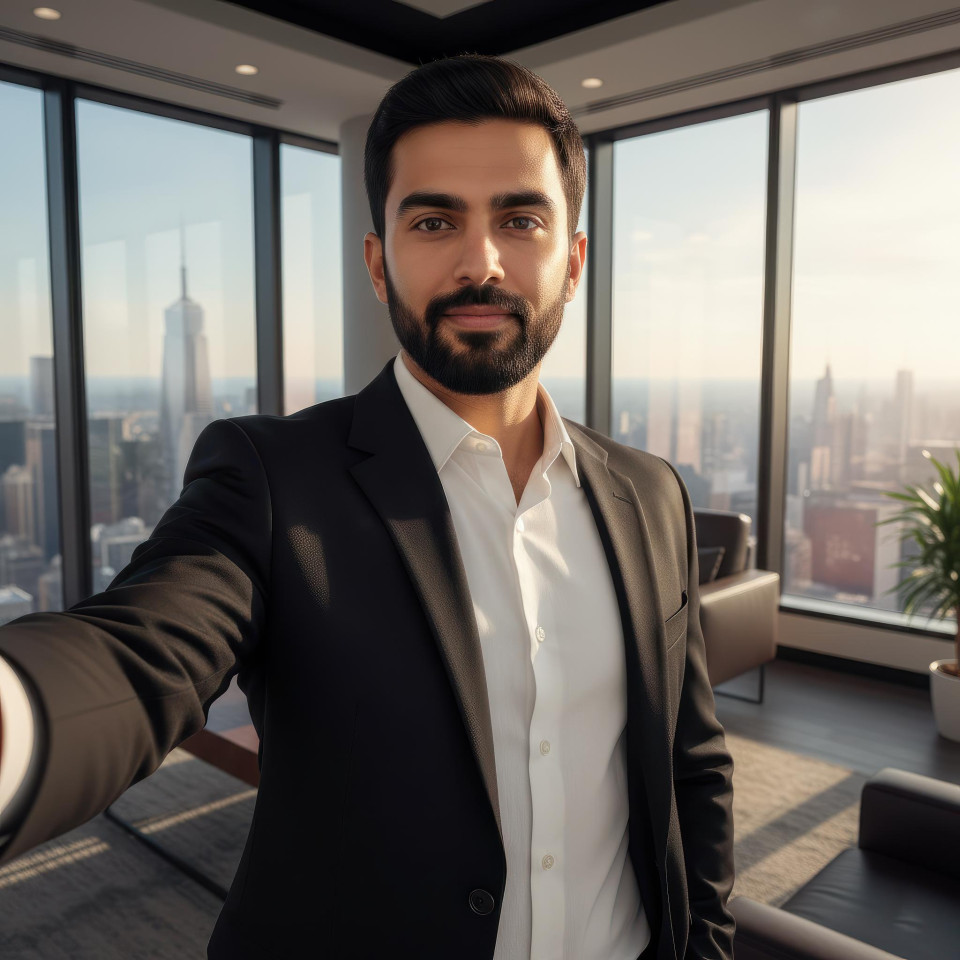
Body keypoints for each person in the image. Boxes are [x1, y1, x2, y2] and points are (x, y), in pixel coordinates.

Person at [0, 54, 735, 960]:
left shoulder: (650, 491)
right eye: (435, 220)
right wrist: (16, 713)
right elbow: (139, 652)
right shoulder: (271, 478)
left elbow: (690, 765)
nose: (481, 262)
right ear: (378, 263)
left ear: (573, 260)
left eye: (521, 218)